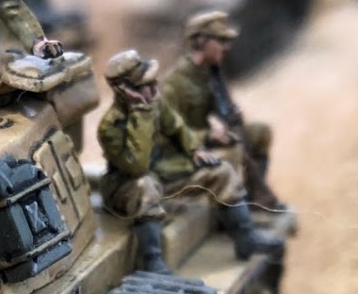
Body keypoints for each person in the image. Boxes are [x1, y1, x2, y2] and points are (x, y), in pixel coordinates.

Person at [97, 49, 282, 272]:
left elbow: (176, 126)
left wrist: (194, 149)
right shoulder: (110, 126)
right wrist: (141, 111)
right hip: (125, 187)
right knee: (145, 187)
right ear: (125, 91)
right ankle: (154, 262)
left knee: (221, 171)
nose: (155, 85)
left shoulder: (155, 103)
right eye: (146, 83)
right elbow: (138, 166)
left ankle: (245, 237)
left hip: (160, 174)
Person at [160, 10, 295, 234]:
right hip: (180, 152)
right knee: (233, 150)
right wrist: (208, 135)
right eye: (221, 40)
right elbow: (165, 132)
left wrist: (228, 115)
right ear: (201, 41)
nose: (226, 47)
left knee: (259, 133)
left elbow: (219, 108)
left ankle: (254, 196)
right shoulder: (174, 83)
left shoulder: (209, 74)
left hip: (203, 140)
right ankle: (226, 218)